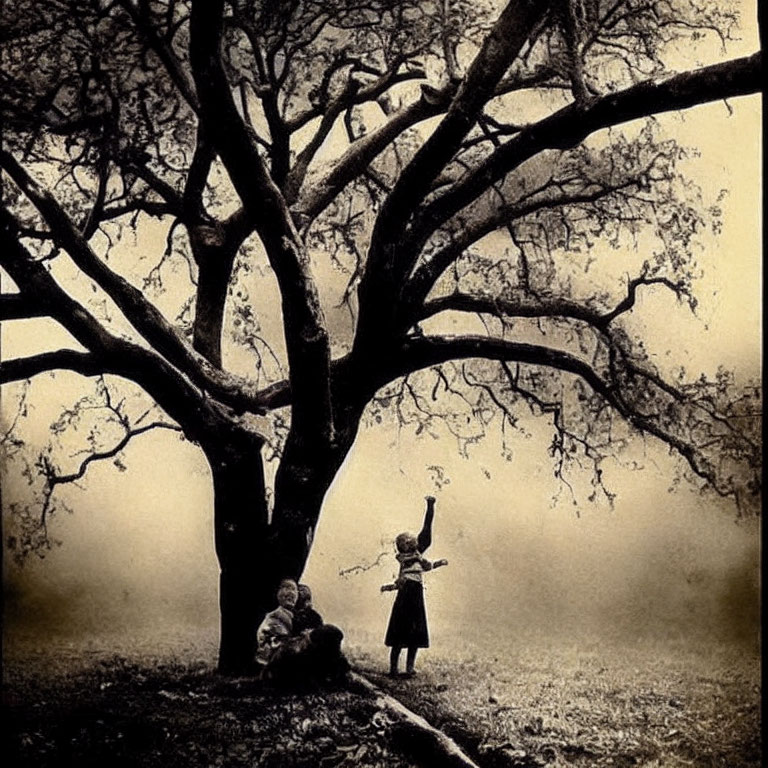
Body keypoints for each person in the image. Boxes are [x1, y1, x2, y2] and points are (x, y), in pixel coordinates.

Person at [381, 495, 448, 678]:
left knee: (412, 635)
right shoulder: (407, 558)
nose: (415, 541)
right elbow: (404, 576)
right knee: (401, 634)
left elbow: (426, 532)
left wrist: (430, 507)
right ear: (407, 545)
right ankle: (394, 669)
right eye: (411, 540)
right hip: (407, 597)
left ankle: (408, 669)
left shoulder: (416, 556)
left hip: (413, 598)